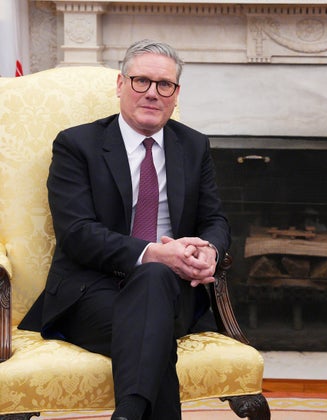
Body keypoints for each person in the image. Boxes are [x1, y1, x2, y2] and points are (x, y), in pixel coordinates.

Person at [18, 39, 230, 420]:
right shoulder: (78, 145)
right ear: (120, 85)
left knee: (154, 284)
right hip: (90, 292)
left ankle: (127, 413)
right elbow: (77, 232)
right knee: (154, 329)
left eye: (164, 84)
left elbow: (214, 220)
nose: (152, 92)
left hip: (174, 290)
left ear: (176, 94)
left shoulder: (193, 146)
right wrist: (152, 254)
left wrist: (210, 250)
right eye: (141, 81)